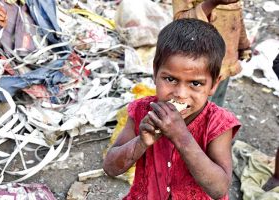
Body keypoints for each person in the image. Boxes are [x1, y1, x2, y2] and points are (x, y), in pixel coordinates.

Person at [103, 18, 241, 199]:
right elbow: (111, 168)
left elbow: (218, 189)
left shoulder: (217, 123)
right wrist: (141, 142)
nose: (180, 94)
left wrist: (181, 136)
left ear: (214, 84)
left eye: (196, 83)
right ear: (155, 73)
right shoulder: (143, 111)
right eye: (170, 79)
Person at [172, 0, 251, 106]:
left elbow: (237, 19)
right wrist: (212, 3)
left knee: (216, 105)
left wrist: (244, 45)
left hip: (226, 63)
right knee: (195, 108)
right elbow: (180, 23)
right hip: (199, 64)